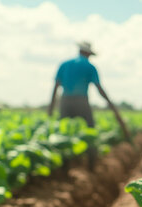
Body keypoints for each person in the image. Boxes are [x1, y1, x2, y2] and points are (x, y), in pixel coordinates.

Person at [48, 41, 129, 171]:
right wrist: (110, 103)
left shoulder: (64, 64)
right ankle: (91, 168)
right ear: (87, 53)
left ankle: (65, 170)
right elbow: (99, 88)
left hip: (65, 101)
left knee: (64, 134)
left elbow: (56, 87)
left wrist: (50, 108)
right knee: (90, 132)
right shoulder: (90, 67)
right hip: (82, 101)